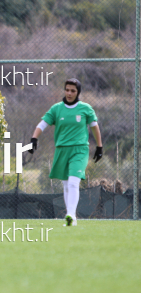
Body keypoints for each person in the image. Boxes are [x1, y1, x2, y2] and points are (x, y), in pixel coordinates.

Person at [29, 78, 103, 226]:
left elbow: (95, 127)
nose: (69, 93)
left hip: (80, 150)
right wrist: (34, 138)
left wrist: (99, 147)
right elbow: (42, 124)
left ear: (78, 92)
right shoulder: (56, 109)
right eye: (67, 90)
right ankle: (71, 218)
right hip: (62, 150)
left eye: (73, 91)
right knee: (66, 185)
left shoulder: (85, 109)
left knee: (74, 182)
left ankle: (70, 215)